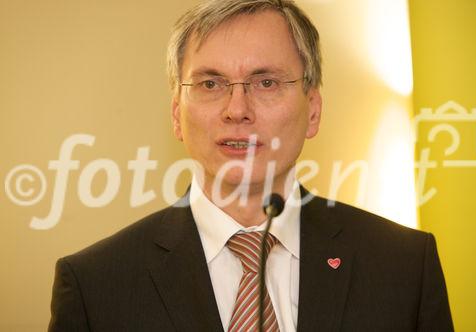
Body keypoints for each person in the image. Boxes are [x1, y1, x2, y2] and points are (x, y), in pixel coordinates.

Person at [48, 0, 454, 331]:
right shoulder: (95, 286)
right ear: (176, 114)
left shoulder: (403, 266)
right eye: (210, 84)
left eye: (266, 82)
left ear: (313, 110)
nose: (237, 109)